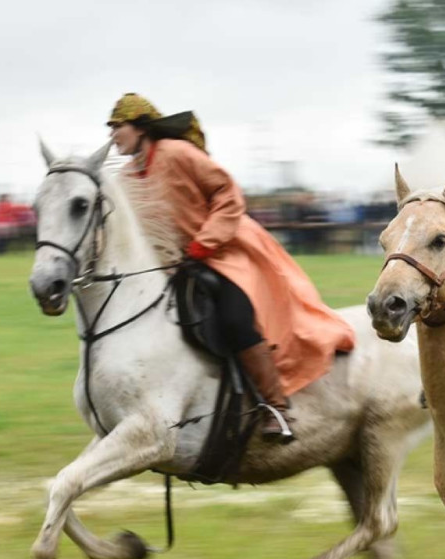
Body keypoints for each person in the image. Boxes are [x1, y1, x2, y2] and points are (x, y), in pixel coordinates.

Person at [106, 93, 355, 443]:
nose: (113, 135)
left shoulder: (178, 153)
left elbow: (227, 193)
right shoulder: (127, 175)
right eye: (111, 128)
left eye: (118, 127)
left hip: (225, 251)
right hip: (173, 267)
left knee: (235, 319)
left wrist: (203, 243)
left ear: (141, 128)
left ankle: (275, 408)